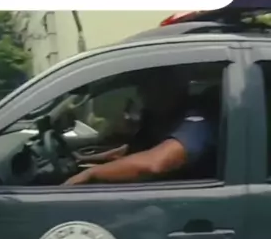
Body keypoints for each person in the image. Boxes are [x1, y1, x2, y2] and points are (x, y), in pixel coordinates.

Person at [65, 68, 217, 186]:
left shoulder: (196, 120)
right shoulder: (159, 118)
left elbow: (157, 162)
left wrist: (92, 173)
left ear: (171, 87)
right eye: (142, 87)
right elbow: (130, 150)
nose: (141, 93)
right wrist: (83, 159)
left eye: (148, 86)